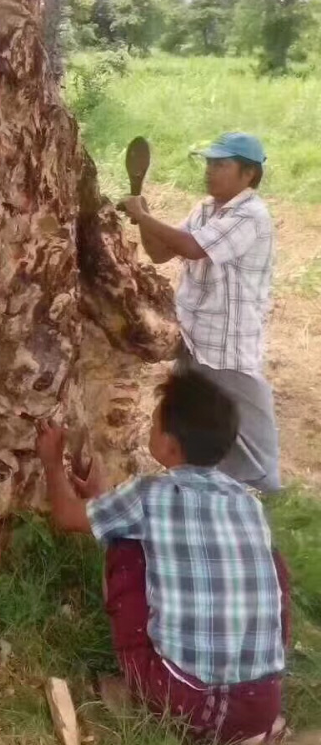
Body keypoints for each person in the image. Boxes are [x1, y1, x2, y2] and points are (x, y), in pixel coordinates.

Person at [36, 370, 289, 745]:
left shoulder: (151, 495)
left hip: (179, 700)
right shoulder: (247, 503)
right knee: (272, 563)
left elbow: (66, 517)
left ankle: (146, 699)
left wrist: (52, 462)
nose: (149, 428)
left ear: (169, 445)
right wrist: (103, 495)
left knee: (126, 545)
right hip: (259, 707)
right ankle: (244, 733)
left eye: (153, 423)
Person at [119, 132, 279, 493]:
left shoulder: (251, 215)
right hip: (193, 334)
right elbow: (161, 253)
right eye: (209, 163)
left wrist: (143, 215)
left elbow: (192, 248)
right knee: (194, 417)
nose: (210, 172)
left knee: (246, 423)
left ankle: (267, 490)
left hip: (228, 340)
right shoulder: (206, 208)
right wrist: (144, 218)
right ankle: (202, 484)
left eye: (221, 165)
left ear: (248, 174)